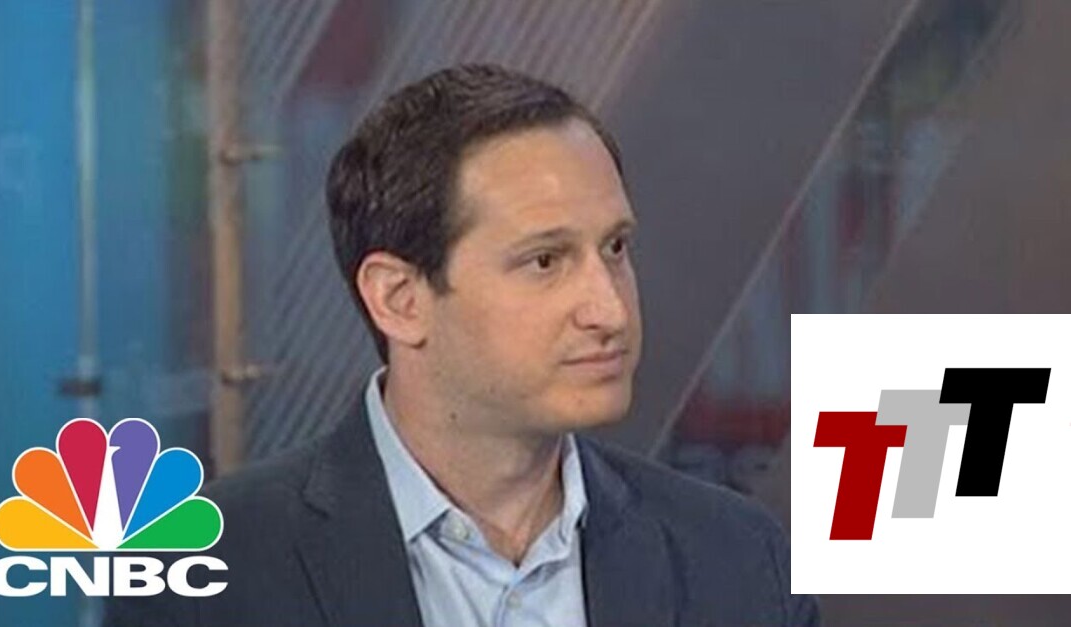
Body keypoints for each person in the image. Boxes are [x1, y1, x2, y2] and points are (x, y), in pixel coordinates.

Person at [105, 64, 819, 627]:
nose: (609, 309)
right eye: (545, 261)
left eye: (615, 248)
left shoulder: (734, 558)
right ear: (399, 298)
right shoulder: (207, 575)